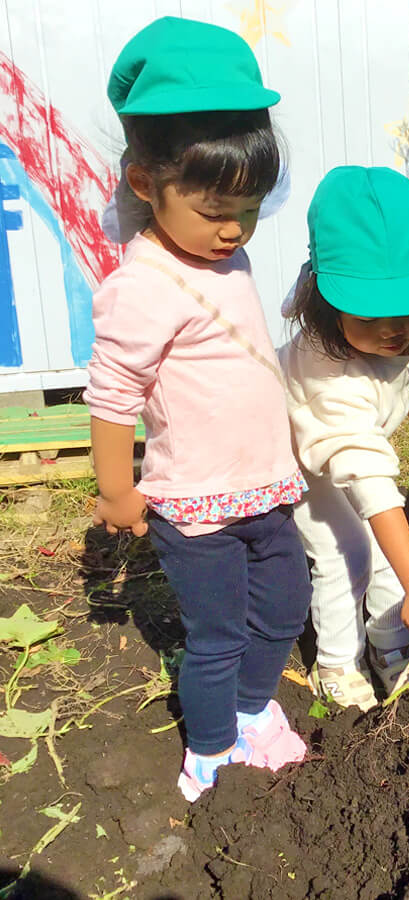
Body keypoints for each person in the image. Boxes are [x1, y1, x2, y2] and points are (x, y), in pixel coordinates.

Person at [84, 17, 311, 800]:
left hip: (265, 486)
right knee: (215, 635)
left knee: (284, 607)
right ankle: (210, 749)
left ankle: (251, 708)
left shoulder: (229, 254)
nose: (232, 229)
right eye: (213, 207)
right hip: (193, 501)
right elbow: (113, 395)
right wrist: (118, 489)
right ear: (146, 182)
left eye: (246, 210)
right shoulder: (141, 285)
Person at [280, 167, 409, 711]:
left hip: (363, 444)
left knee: (393, 550)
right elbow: (367, 477)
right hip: (303, 456)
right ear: (325, 301)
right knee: (344, 553)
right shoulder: (326, 369)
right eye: (372, 315)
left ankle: (389, 644)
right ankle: (336, 660)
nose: (395, 330)